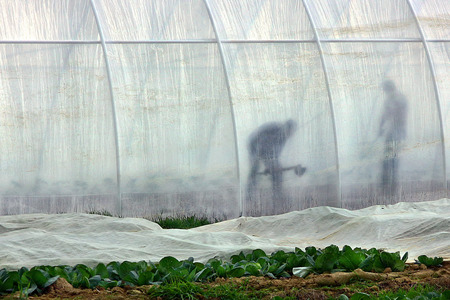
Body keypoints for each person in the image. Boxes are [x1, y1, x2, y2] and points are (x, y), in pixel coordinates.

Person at [246, 119, 298, 204]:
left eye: (292, 132)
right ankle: (249, 196)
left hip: (263, 147)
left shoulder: (284, 136)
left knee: (277, 172)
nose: (291, 134)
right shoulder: (276, 132)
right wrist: (269, 165)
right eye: (291, 131)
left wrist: (273, 165)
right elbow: (263, 148)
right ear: (287, 128)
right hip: (254, 144)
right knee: (254, 169)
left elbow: (276, 153)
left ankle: (277, 194)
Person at [378, 80, 408, 198]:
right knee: (392, 159)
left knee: (390, 159)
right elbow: (386, 114)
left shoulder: (395, 99)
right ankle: (390, 186)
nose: (384, 92)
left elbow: (387, 114)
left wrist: (380, 127)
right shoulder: (398, 98)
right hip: (397, 132)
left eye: (385, 89)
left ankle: (389, 187)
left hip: (396, 132)